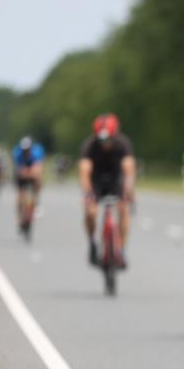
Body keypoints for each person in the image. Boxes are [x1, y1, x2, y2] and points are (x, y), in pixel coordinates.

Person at [79, 114, 136, 268]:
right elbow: (84, 171)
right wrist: (88, 193)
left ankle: (122, 249)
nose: (105, 143)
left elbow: (129, 169)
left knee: (124, 209)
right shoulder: (90, 145)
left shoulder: (123, 144)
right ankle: (92, 242)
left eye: (108, 139)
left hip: (115, 180)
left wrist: (128, 192)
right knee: (91, 212)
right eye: (102, 140)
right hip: (96, 180)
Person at [12, 136, 45, 235]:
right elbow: (20, 171)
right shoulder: (18, 154)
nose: (26, 151)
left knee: (36, 185)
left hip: (32, 176)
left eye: (28, 150)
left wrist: (33, 174)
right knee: (20, 198)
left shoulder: (36, 154)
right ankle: (19, 218)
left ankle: (35, 201)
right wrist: (28, 172)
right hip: (22, 178)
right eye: (24, 150)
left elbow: (38, 170)